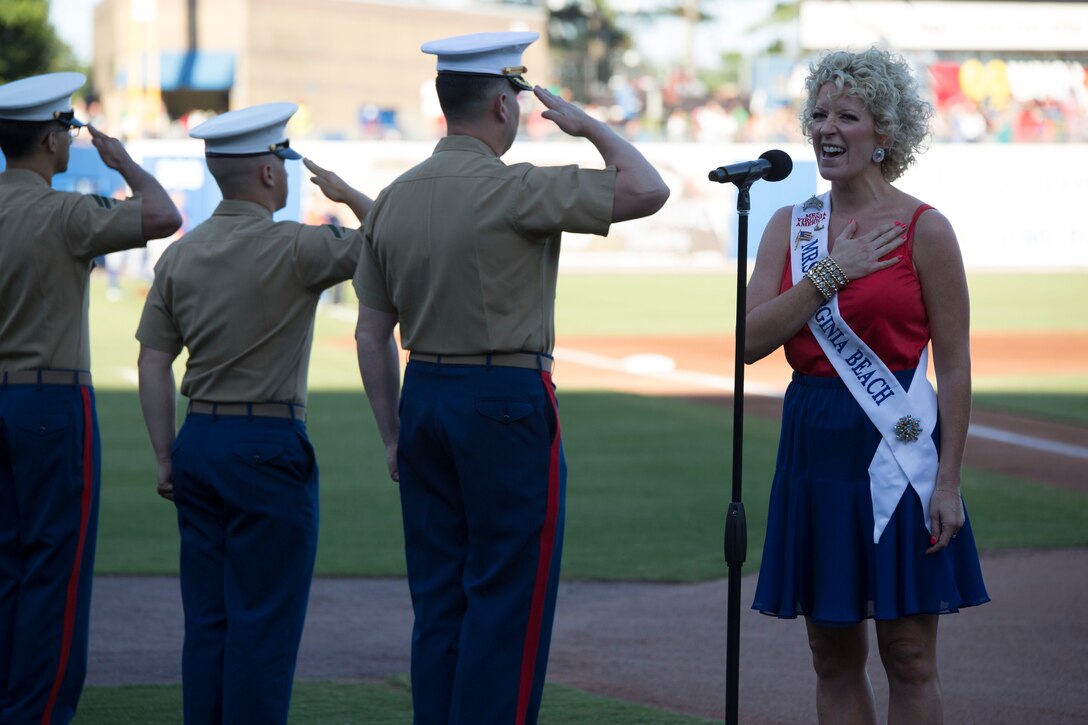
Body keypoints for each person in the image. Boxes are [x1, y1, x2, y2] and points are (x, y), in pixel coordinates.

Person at [353, 31, 669, 725]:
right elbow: (648, 189)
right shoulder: (517, 186)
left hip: (424, 399)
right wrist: (587, 124)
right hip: (502, 401)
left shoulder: (393, 200)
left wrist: (391, 434)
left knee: (440, 599)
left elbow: (371, 333)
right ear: (503, 104)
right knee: (508, 598)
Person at [745, 48, 990, 723]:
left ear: (884, 132)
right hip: (815, 442)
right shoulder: (790, 227)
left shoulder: (925, 228)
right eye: (818, 113)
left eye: (848, 115)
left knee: (909, 653)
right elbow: (747, 341)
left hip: (900, 444)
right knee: (831, 652)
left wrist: (948, 482)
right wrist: (830, 273)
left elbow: (957, 363)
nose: (828, 128)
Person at [134, 102, 372, 724]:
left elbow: (153, 363)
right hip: (266, 444)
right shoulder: (295, 246)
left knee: (208, 625)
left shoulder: (179, 257)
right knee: (262, 629)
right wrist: (349, 196)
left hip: (198, 443)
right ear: (270, 174)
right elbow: (391, 241)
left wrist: (166, 455)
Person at [0, 72, 181, 723]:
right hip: (49, 402)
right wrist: (124, 160)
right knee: (56, 571)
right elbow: (164, 214)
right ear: (53, 139)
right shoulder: (63, 210)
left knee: (7, 568)